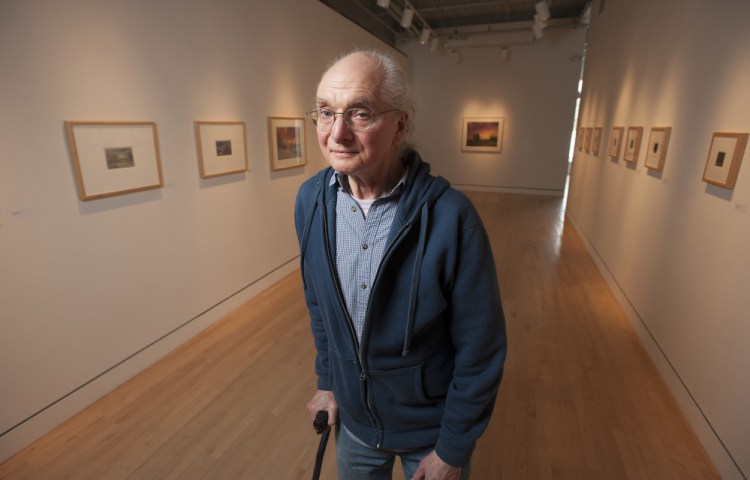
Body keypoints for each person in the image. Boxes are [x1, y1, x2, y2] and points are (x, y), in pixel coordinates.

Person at [294, 48, 507, 480]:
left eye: (359, 113)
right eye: (325, 112)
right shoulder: (310, 202)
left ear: (400, 124)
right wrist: (328, 381)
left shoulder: (451, 218)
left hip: (429, 435)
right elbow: (321, 307)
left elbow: (481, 349)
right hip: (354, 426)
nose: (337, 134)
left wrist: (453, 449)